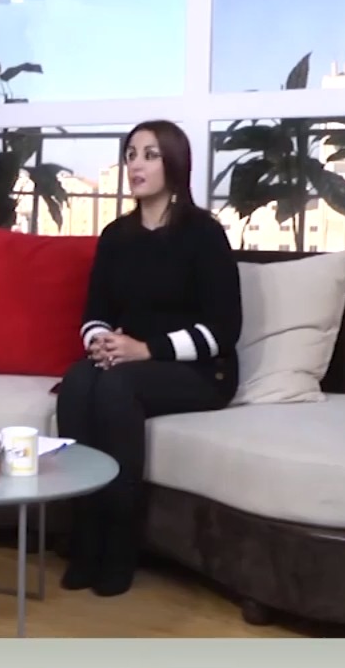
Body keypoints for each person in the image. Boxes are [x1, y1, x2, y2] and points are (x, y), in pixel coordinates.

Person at [56, 120, 244, 598]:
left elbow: (224, 331)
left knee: (116, 388)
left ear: (174, 164)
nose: (135, 165)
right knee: (77, 381)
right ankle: (85, 541)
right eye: (131, 155)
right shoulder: (116, 235)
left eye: (149, 155)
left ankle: (121, 549)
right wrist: (100, 342)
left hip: (201, 370)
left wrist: (145, 350)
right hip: (130, 362)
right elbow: (95, 312)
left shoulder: (204, 234)